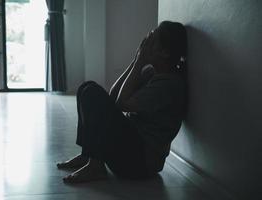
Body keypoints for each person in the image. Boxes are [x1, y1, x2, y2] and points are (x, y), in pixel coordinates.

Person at [57, 21, 187, 183]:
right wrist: (135, 61)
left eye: (151, 42)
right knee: (86, 88)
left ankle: (96, 167)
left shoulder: (169, 84)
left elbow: (121, 104)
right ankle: (88, 155)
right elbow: (114, 96)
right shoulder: (152, 73)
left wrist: (140, 61)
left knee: (92, 93)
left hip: (140, 162)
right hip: (133, 147)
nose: (145, 44)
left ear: (165, 52)